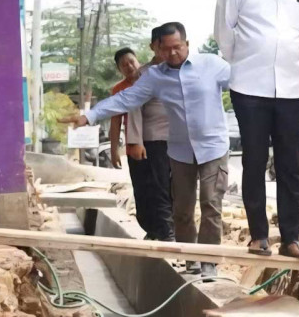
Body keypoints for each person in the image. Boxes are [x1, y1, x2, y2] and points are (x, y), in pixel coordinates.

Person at [61, 23, 230, 278]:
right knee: (182, 210)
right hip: (180, 152)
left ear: (187, 44)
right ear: (158, 49)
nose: (172, 53)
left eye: (177, 47)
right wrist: (90, 115)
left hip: (213, 147)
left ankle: (209, 262)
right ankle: (191, 257)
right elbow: (126, 99)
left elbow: (244, 84)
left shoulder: (212, 65)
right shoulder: (154, 77)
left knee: (211, 203)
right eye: (166, 49)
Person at [214, 0, 299, 259]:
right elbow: (223, 35)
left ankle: (291, 238)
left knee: (290, 164)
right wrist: (246, 60)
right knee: (254, 161)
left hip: (294, 87)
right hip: (249, 88)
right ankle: (259, 235)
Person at [125, 29, 174, 242]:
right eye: (161, 45)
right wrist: (135, 141)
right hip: (154, 139)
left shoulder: (182, 70)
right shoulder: (143, 74)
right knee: (156, 186)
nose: (167, 51)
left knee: (176, 187)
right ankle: (165, 231)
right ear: (153, 46)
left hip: (179, 139)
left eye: (172, 45)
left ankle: (168, 229)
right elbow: (134, 107)